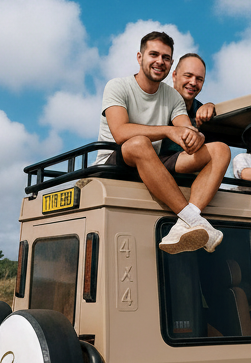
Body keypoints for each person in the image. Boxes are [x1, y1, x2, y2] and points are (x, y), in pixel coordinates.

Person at [95, 32, 231, 254]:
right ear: (140, 57)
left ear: (170, 64)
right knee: (139, 143)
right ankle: (195, 221)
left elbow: (185, 129)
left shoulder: (173, 97)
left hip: (154, 163)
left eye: (166, 57)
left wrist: (194, 136)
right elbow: (120, 133)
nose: (160, 61)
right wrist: (169, 131)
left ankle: (183, 225)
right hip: (117, 161)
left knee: (220, 150)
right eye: (154, 54)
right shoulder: (117, 86)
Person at [158, 53, 217, 156]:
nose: (193, 82)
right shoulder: (156, 103)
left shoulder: (201, 111)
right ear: (174, 76)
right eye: (188, 76)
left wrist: (210, 105)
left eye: (199, 79)